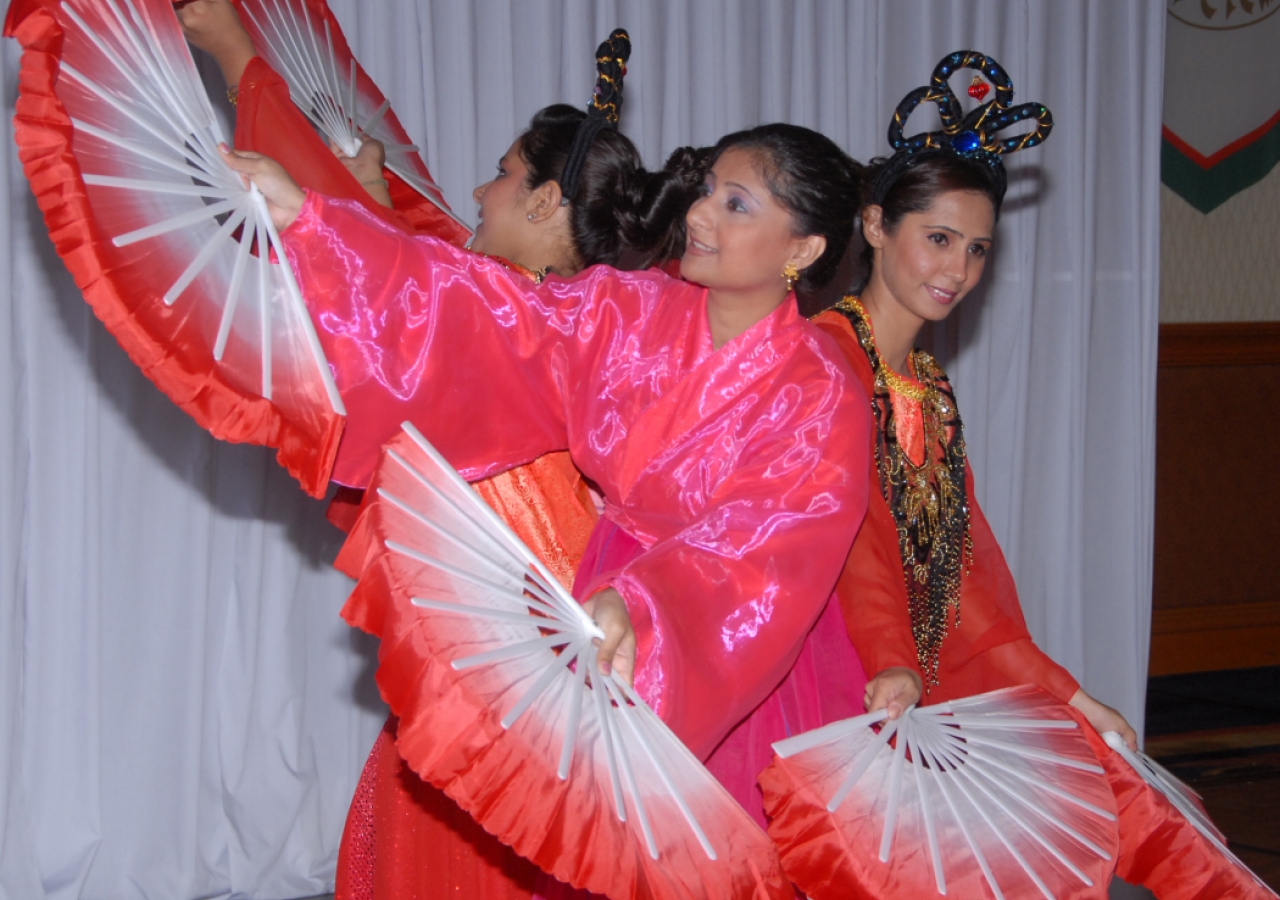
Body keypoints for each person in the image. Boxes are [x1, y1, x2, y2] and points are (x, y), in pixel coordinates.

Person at [223, 118, 872, 884]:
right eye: (706, 191)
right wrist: (312, 220)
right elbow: (486, 309)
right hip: (594, 597)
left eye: (735, 205)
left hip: (729, 646)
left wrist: (646, 606)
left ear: (802, 250)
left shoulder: (821, 393)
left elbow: (759, 547)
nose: (697, 214)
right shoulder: (627, 313)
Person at [814, 50, 1274, 900]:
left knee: (1110, 807)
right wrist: (892, 659)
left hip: (917, 669)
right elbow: (853, 537)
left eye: (978, 248)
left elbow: (966, 569)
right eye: (938, 239)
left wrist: (1064, 691)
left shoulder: (928, 388)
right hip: (840, 671)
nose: (957, 270)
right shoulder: (821, 362)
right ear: (875, 226)